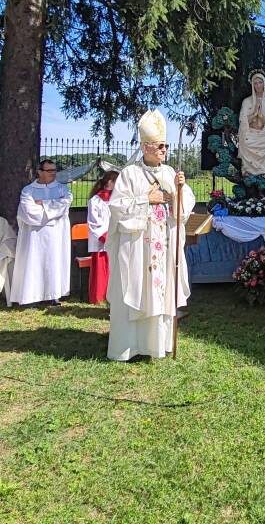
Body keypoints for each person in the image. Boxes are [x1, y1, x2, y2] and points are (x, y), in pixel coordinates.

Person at [106, 110, 195, 360]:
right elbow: (117, 208)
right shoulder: (130, 174)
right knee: (138, 290)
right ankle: (130, 346)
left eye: (166, 146)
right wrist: (147, 199)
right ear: (145, 147)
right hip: (138, 247)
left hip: (163, 246)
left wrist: (178, 191)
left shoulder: (169, 173)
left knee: (161, 292)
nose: (164, 150)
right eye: (160, 146)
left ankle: (157, 345)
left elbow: (184, 207)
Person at [9, 158, 73, 306]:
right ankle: (31, 296)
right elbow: (29, 211)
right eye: (49, 170)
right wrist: (51, 211)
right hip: (34, 236)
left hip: (56, 235)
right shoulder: (28, 191)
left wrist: (44, 204)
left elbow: (65, 204)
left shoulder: (63, 189)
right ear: (39, 172)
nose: (53, 173)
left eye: (54, 170)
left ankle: (53, 295)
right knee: (33, 263)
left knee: (53, 263)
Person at [86, 170, 119, 304]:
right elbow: (94, 221)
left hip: (115, 237)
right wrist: (105, 235)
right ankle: (99, 297)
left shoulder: (116, 200)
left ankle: (112, 296)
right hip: (101, 240)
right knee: (101, 270)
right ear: (110, 182)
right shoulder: (96, 200)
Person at [237, 71, 265, 176]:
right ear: (252, 85)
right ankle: (248, 170)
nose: (258, 85)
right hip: (250, 132)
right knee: (246, 140)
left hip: (263, 133)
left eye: (260, 82)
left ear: (264, 84)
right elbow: (243, 119)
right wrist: (254, 113)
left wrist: (261, 118)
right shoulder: (247, 102)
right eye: (255, 83)